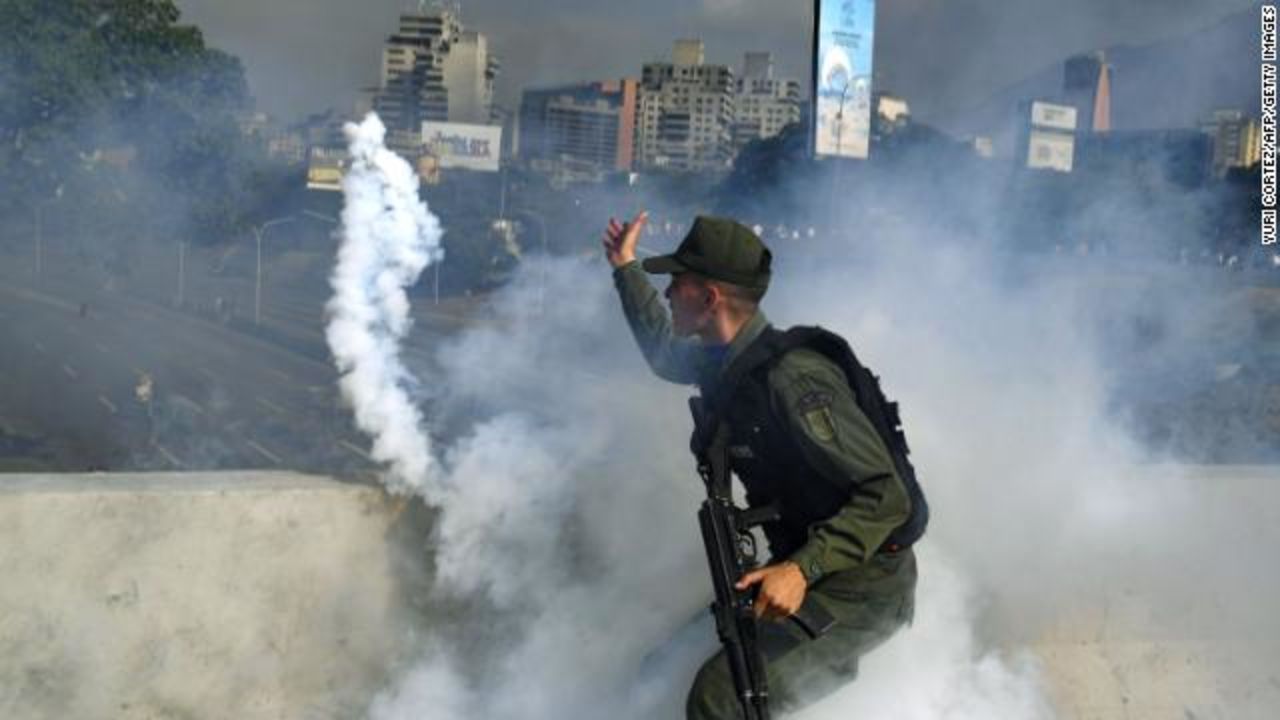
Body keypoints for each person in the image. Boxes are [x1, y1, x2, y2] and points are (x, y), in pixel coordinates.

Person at [603, 212, 928, 719]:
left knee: (722, 696)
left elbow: (886, 496)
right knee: (659, 674)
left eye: (676, 284)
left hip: (861, 589)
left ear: (709, 298)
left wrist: (802, 568)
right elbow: (666, 356)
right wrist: (626, 269)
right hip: (796, 571)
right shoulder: (726, 363)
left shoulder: (794, 380)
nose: (667, 294)